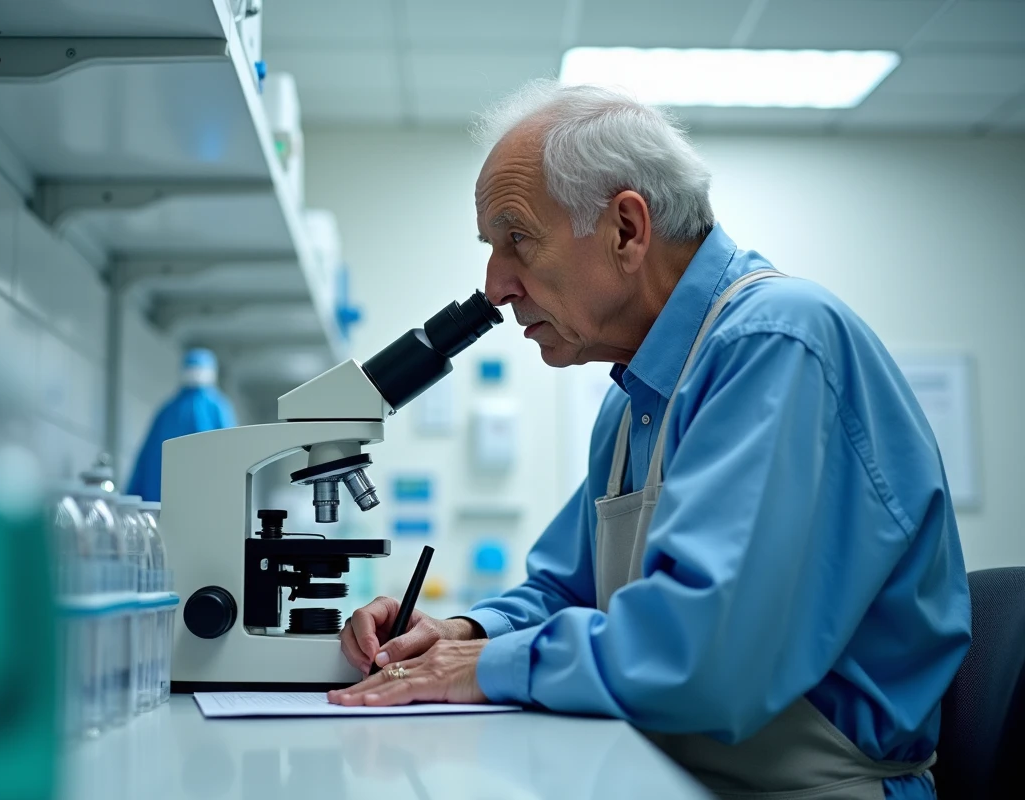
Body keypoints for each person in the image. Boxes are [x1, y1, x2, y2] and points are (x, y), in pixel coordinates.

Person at [329, 81, 971, 799]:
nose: (496, 286)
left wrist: (487, 669)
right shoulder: (639, 392)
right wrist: (463, 634)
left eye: (517, 240)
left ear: (627, 230)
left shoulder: (774, 344)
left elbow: (707, 656)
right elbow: (569, 590)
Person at [126, 348, 237, 502]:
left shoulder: (169, 410)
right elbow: (233, 457)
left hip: (165, 505)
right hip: (204, 503)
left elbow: (144, 464)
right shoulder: (217, 407)